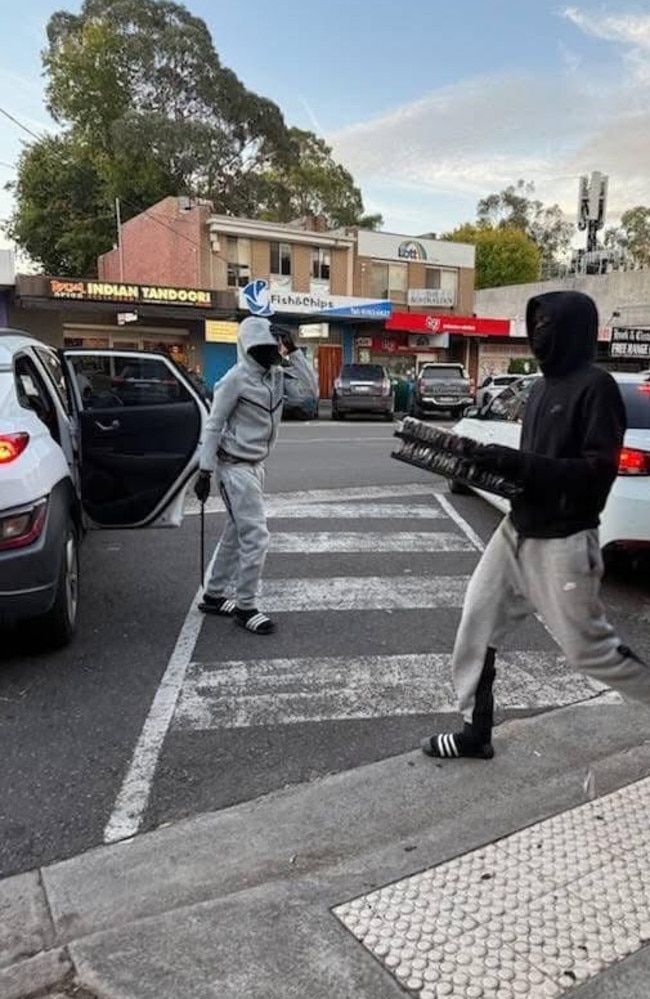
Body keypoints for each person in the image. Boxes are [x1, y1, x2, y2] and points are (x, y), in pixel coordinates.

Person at [422, 290, 650, 760]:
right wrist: (487, 467)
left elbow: (595, 473)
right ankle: (474, 732)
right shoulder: (540, 388)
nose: (539, 334)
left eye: (548, 324)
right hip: (516, 529)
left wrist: (519, 465)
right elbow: (531, 467)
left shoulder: (596, 386)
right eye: (535, 324)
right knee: (476, 623)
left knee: (590, 652)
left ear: (572, 328)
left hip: (564, 540)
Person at [194, 316, 318, 635]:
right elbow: (213, 424)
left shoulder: (275, 375)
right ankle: (246, 606)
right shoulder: (234, 380)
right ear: (247, 348)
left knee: (236, 533)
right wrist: (205, 470)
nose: (267, 353)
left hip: (255, 466)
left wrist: (294, 350)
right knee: (256, 536)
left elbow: (311, 389)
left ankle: (213, 594)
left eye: (270, 347)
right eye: (260, 348)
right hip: (233, 468)